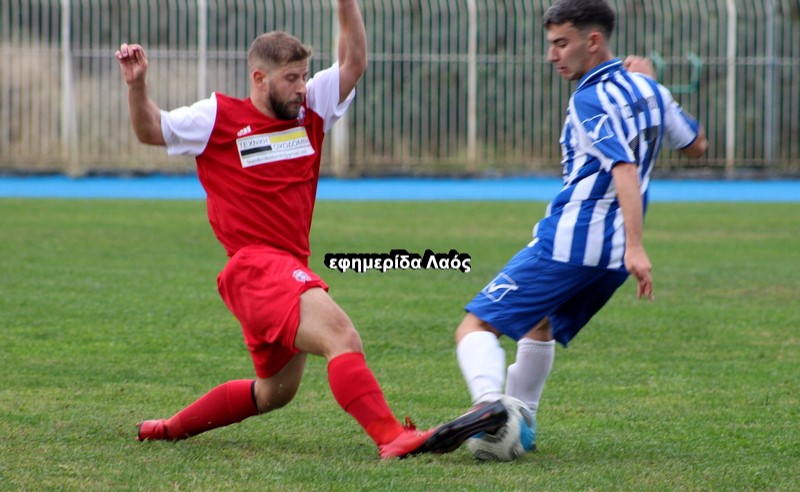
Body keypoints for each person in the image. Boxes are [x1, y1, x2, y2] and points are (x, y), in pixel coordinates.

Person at [116, 0, 443, 460]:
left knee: (275, 392)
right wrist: (137, 86)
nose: (301, 87)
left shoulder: (309, 110)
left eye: (304, 75)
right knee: (342, 336)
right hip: (253, 267)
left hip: (286, 268)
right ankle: (391, 437)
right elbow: (151, 129)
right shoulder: (217, 117)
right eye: (291, 78)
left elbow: (353, 61)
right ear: (259, 78)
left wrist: (345, 4)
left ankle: (168, 428)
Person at [425, 0, 709, 453]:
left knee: (475, 327)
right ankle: (522, 424)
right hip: (610, 259)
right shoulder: (650, 88)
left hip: (571, 243)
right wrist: (656, 86)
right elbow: (697, 145)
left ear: (592, 41)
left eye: (561, 43)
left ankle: (489, 405)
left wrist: (638, 248)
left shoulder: (588, 99)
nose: (552, 55)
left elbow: (623, 167)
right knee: (538, 324)